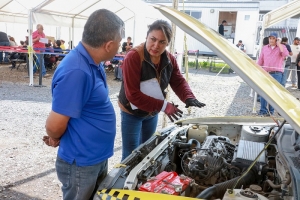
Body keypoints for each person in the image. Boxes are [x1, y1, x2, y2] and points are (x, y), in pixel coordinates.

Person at [44, 9, 124, 200]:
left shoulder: (92, 63)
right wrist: (55, 136)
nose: (119, 48)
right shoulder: (77, 71)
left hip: (92, 157)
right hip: (81, 162)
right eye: (119, 44)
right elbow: (53, 126)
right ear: (109, 45)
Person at [118, 20, 206, 160]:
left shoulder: (170, 59)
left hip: (152, 112)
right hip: (131, 112)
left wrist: (188, 97)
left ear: (167, 44)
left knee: (148, 149)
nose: (156, 45)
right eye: (153, 39)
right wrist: (165, 106)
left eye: (162, 42)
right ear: (146, 37)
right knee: (131, 154)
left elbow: (177, 80)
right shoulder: (133, 56)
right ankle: (125, 182)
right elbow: (132, 95)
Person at [257, 32, 288, 116]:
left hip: (277, 74)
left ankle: (271, 111)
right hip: (265, 73)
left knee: (274, 93)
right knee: (263, 92)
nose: (271, 40)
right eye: (270, 38)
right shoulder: (264, 48)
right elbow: (261, 60)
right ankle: (263, 111)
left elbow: (285, 54)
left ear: (277, 39)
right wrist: (256, 68)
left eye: (273, 38)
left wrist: (279, 44)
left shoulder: (282, 47)